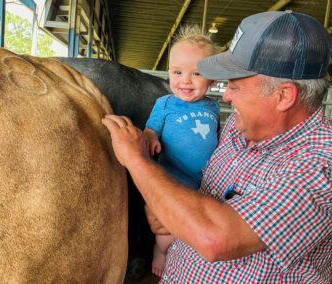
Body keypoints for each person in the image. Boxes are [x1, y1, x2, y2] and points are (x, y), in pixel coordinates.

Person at [102, 10, 332, 283]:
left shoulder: (320, 165)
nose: (224, 95)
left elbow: (215, 238)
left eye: (235, 87)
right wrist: (171, 212)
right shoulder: (237, 124)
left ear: (283, 96)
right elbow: (209, 194)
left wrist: (136, 159)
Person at [143, 25, 220, 277]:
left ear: (212, 80)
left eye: (196, 74)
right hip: (172, 177)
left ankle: (184, 259)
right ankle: (161, 251)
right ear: (169, 73)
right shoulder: (164, 103)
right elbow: (150, 129)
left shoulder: (213, 107)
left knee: (195, 226)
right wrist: (151, 137)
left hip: (203, 181)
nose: (185, 80)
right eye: (178, 72)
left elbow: (215, 136)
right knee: (167, 231)